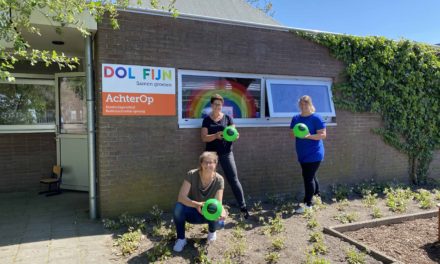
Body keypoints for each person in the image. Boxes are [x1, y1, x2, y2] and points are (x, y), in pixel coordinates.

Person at [201, 94, 249, 219]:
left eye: (220, 104)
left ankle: (243, 208)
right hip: (211, 156)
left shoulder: (227, 118)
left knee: (233, 179)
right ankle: (209, 209)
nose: (218, 106)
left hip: (226, 153)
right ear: (211, 105)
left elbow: (234, 133)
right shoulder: (207, 120)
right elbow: (204, 137)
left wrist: (235, 135)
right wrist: (215, 136)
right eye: (215, 104)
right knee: (209, 181)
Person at [173, 151, 227, 252]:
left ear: (215, 164)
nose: (208, 165)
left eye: (211, 162)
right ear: (201, 164)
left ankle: (212, 231)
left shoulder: (219, 180)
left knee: (220, 223)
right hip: (193, 210)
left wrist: (222, 213)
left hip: (209, 213)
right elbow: (181, 197)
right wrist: (196, 205)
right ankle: (181, 239)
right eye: (205, 162)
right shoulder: (192, 174)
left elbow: (218, 203)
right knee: (178, 207)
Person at [290, 95, 327, 214]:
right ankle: (317, 197)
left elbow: (323, 135)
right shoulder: (296, 118)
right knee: (312, 176)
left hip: (314, 153)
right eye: (301, 104)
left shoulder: (316, 118)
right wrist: (296, 133)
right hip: (302, 153)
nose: (303, 106)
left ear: (310, 104)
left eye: (305, 104)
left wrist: (308, 136)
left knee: (308, 177)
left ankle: (308, 204)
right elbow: (292, 134)